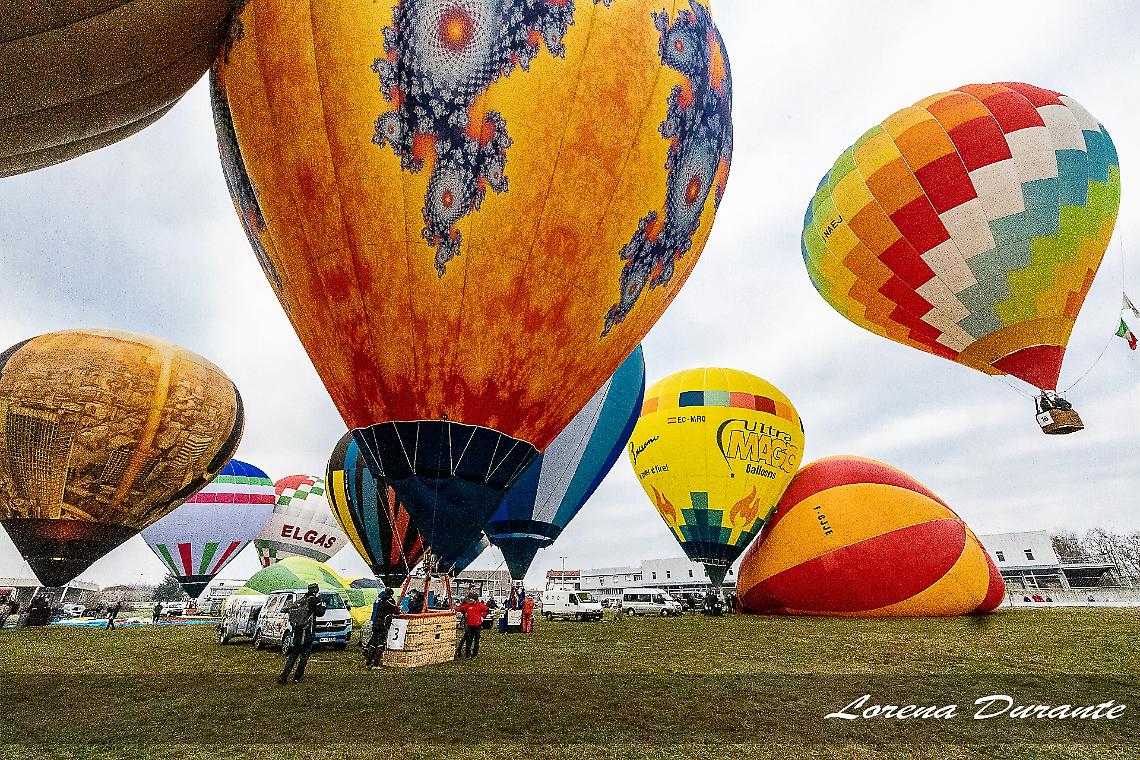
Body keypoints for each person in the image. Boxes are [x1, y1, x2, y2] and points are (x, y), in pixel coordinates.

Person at [279, 584, 326, 684]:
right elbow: (320, 613)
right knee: (304, 656)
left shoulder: (302, 599)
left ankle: (284, 675)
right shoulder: (315, 600)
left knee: (293, 654)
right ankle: (297, 677)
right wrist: (323, 605)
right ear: (317, 590)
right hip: (308, 632)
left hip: (298, 631)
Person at [364, 589, 399, 669]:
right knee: (381, 644)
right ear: (390, 594)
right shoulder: (389, 602)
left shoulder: (380, 601)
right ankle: (376, 664)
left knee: (373, 643)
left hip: (375, 623)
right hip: (382, 624)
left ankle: (368, 662)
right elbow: (396, 611)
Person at [454, 594, 489, 658]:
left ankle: (475, 653)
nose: (470, 599)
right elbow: (461, 608)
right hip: (470, 626)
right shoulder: (468, 606)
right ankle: (468, 653)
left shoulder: (480, 605)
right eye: (470, 598)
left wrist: (482, 616)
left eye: (472, 598)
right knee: (469, 640)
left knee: (476, 640)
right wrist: (455, 608)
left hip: (477, 626)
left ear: (475, 599)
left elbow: (486, 609)